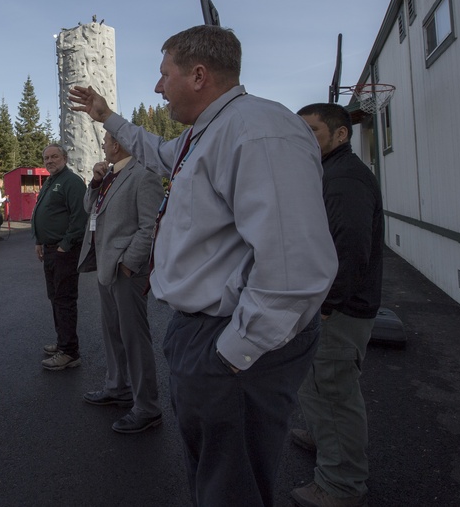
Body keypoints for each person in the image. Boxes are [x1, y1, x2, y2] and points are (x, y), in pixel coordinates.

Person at [69, 25, 337, 506]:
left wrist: (234, 354)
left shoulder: (258, 131)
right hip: (203, 333)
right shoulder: (206, 133)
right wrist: (106, 115)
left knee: (230, 484)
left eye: (163, 74)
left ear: (197, 75)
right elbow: (154, 152)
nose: (157, 87)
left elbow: (295, 269)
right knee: (214, 472)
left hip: (229, 341)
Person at [290, 103, 384, 507]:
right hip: (330, 303)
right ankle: (320, 436)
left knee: (332, 391)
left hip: (339, 309)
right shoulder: (330, 171)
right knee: (319, 386)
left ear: (340, 135)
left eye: (311, 131)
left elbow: (349, 245)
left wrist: (328, 303)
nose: (303, 139)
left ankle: (340, 484)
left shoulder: (345, 178)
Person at [77, 132, 164, 433]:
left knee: (134, 338)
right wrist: (95, 183)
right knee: (112, 332)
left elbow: (150, 225)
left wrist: (129, 264)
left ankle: (147, 407)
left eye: (105, 141)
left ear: (117, 144)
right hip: (105, 266)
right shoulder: (110, 175)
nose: (102, 145)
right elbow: (90, 208)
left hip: (125, 270)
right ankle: (118, 387)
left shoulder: (144, 175)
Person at [31, 144, 88, 370]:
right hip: (49, 249)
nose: (49, 160)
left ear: (64, 158)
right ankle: (62, 342)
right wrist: (38, 240)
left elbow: (80, 217)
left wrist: (65, 244)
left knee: (64, 299)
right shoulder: (51, 181)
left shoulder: (71, 182)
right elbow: (42, 213)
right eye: (46, 157)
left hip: (64, 251)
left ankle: (70, 352)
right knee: (55, 297)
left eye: (54, 156)